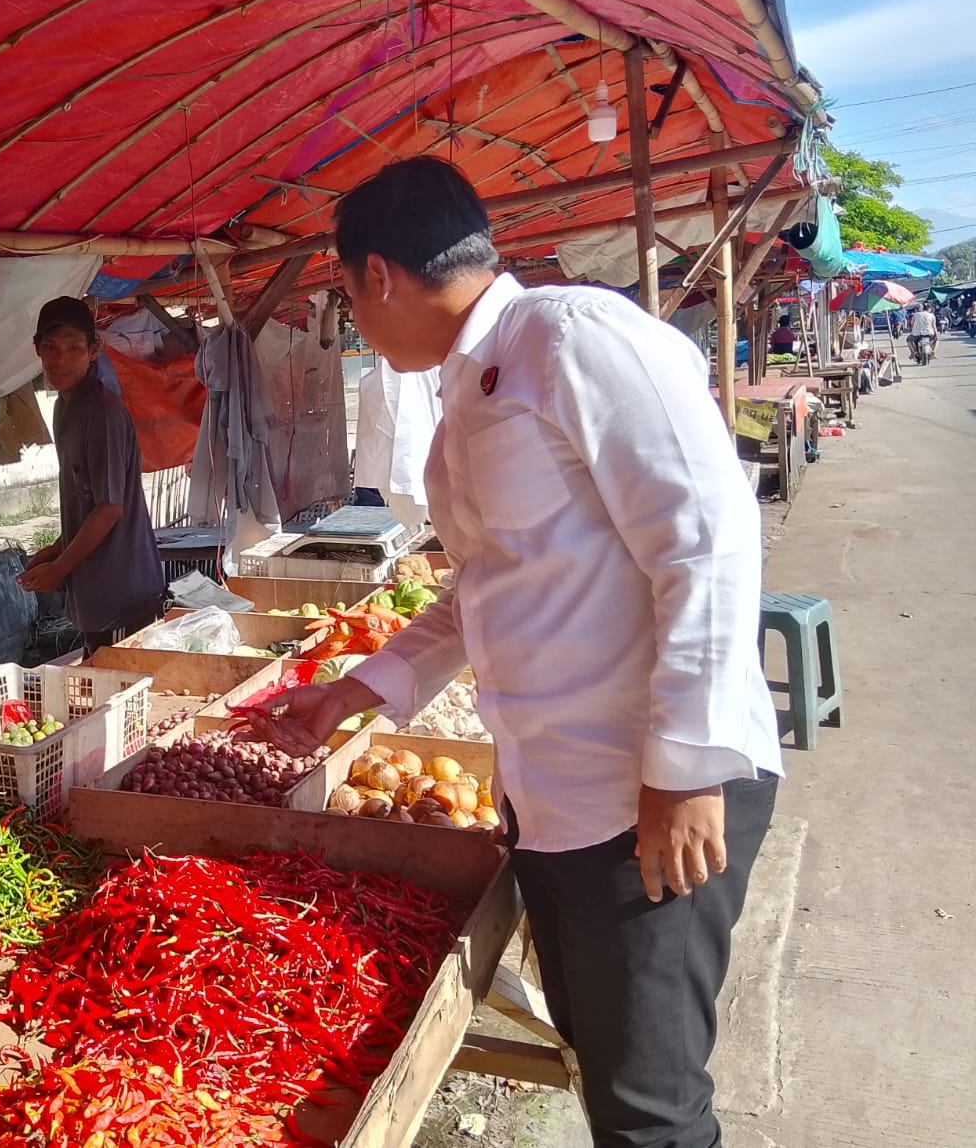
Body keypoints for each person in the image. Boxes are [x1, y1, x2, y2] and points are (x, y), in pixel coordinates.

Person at [265, 158, 781, 1148]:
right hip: (556, 806)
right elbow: (484, 592)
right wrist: (356, 691)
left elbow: (708, 540)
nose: (354, 320)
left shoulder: (573, 337)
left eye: (346, 297)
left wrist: (685, 769)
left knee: (652, 1112)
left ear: (377, 274)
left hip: (647, 799)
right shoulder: (466, 400)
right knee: (602, 1062)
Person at [17, 296, 166, 652]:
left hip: (123, 594)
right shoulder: (63, 409)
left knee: (116, 680)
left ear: (93, 351)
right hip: (96, 594)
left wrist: (60, 568)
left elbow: (109, 508)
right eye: (51, 348)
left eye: (73, 348)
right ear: (37, 349)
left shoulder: (103, 412)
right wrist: (58, 549)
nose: (61, 360)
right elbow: (86, 499)